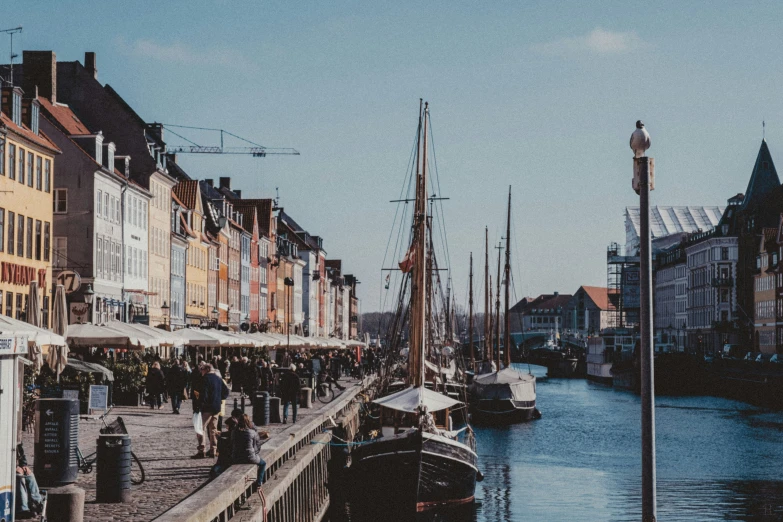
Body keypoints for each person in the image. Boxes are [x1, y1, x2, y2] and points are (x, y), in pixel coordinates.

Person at [192, 363, 229, 459]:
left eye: (202, 369)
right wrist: (219, 399)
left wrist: (200, 405)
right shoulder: (218, 378)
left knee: (200, 428)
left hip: (207, 408)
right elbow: (226, 391)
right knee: (213, 429)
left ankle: (202, 450)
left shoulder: (205, 379)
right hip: (216, 408)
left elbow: (203, 394)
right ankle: (213, 450)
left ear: (207, 369)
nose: (201, 371)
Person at [231, 414, 267, 487]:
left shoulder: (234, 432)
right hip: (250, 458)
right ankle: (259, 482)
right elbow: (257, 446)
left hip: (236, 457)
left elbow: (232, 444)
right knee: (263, 464)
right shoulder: (252, 432)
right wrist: (255, 453)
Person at [15, 444, 43, 519]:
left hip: (16, 465)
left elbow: (20, 451)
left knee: (29, 475)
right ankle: (22, 508)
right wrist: (14, 467)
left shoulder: (17, 441)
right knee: (19, 476)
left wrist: (24, 465)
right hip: (8, 467)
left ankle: (36, 503)